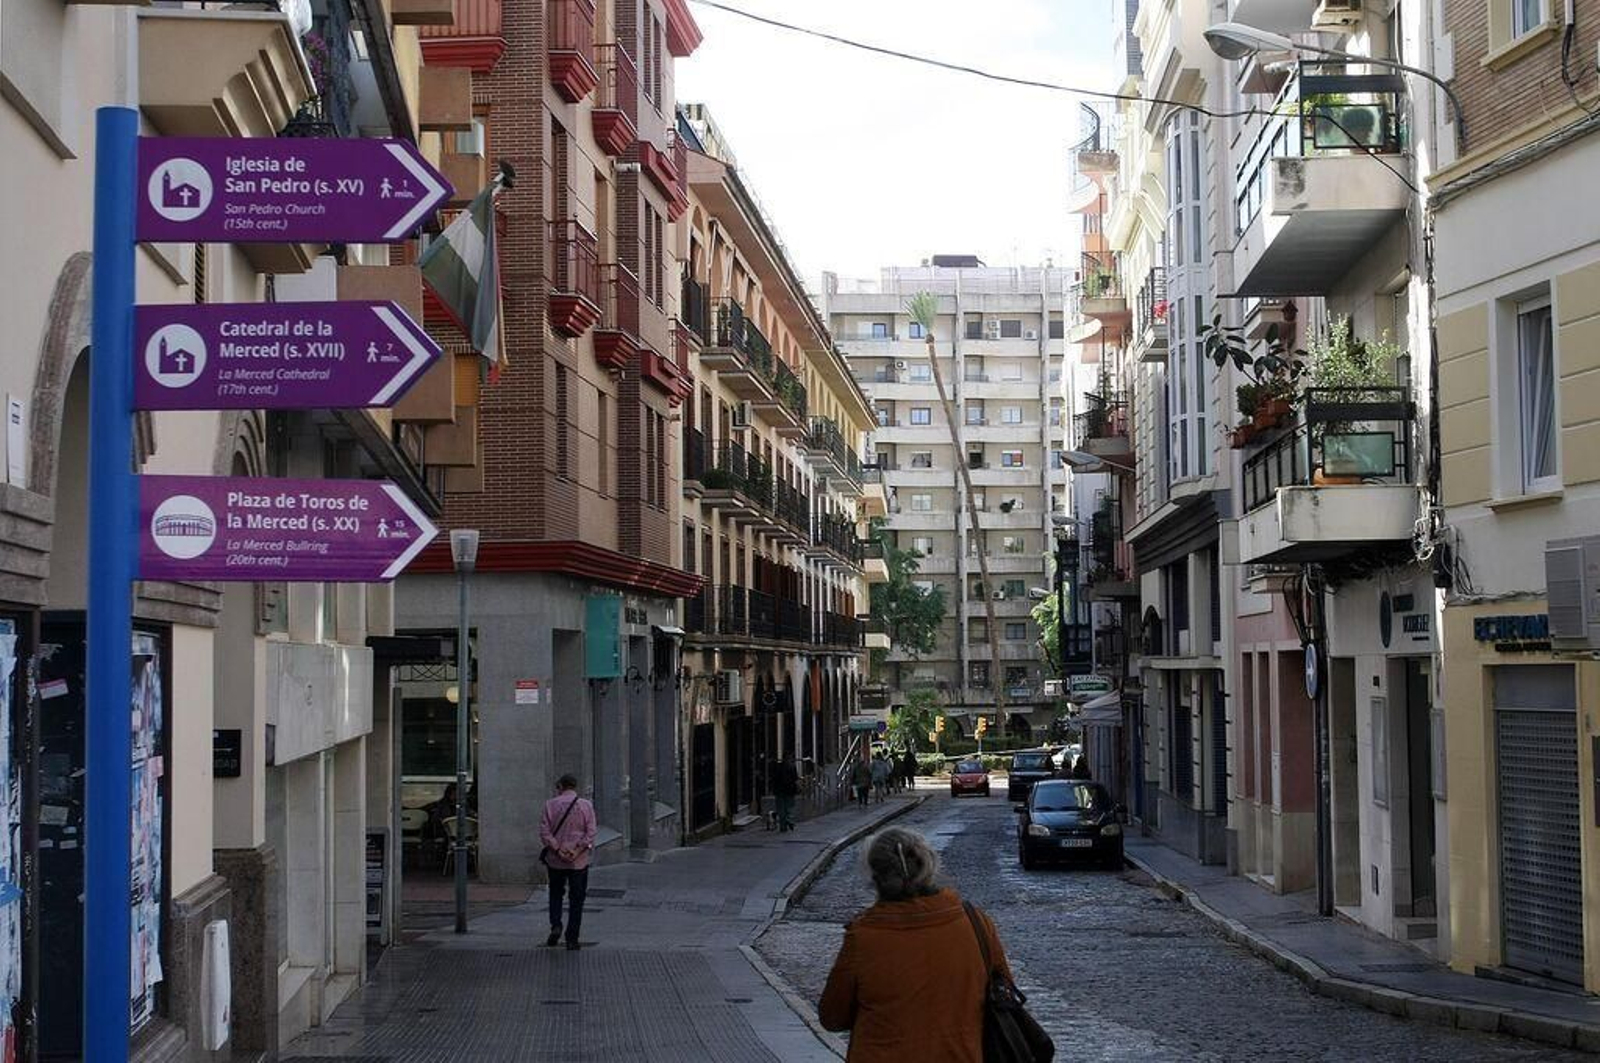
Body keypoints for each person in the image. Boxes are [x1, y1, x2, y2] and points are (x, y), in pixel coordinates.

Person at [819, 827, 1012, 1061]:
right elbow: (1004, 994)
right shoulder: (976, 924)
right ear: (927, 867)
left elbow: (832, 1017)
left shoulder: (864, 938)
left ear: (876, 878)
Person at [540, 774, 597, 951]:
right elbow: (591, 832)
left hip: (556, 860)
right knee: (577, 898)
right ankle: (572, 937)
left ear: (560, 786)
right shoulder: (586, 806)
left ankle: (556, 925)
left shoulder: (550, 805)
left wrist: (558, 849)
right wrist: (578, 850)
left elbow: (544, 832)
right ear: (575, 786)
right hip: (578, 861)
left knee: (556, 894)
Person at [772, 754, 799, 832]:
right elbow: (795, 779)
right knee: (789, 807)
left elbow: (774, 778)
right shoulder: (792, 767)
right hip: (790, 790)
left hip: (779, 790)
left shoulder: (778, 767)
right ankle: (789, 819)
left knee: (781, 809)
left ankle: (783, 826)